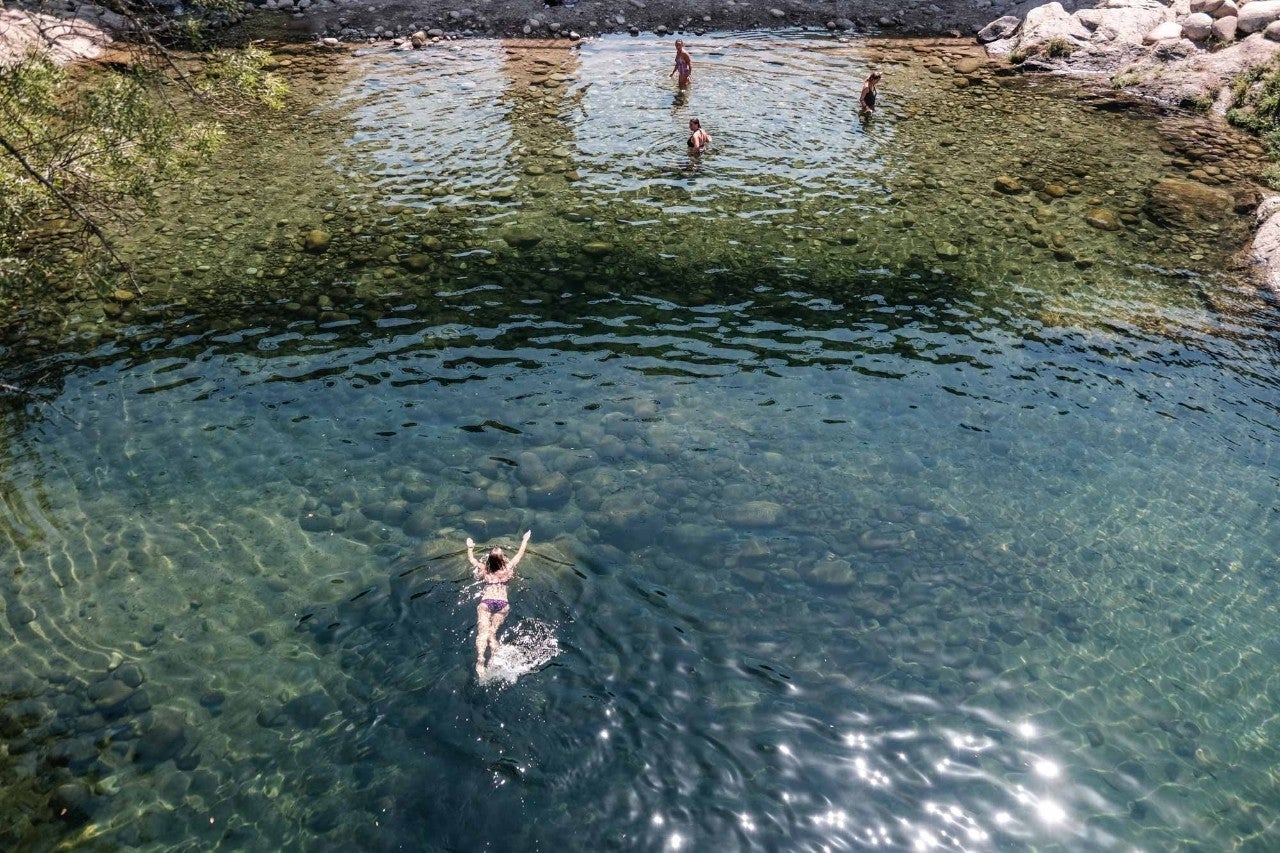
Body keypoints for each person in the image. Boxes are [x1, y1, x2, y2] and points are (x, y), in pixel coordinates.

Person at [467, 530, 531, 678]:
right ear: (503, 559)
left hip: (487, 601)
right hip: (502, 603)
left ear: (489, 560)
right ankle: (495, 658)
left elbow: (471, 560)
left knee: (483, 632)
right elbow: (520, 554)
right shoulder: (508, 569)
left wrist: (470, 547)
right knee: (492, 633)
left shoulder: (485, 569)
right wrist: (525, 540)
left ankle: (481, 659)